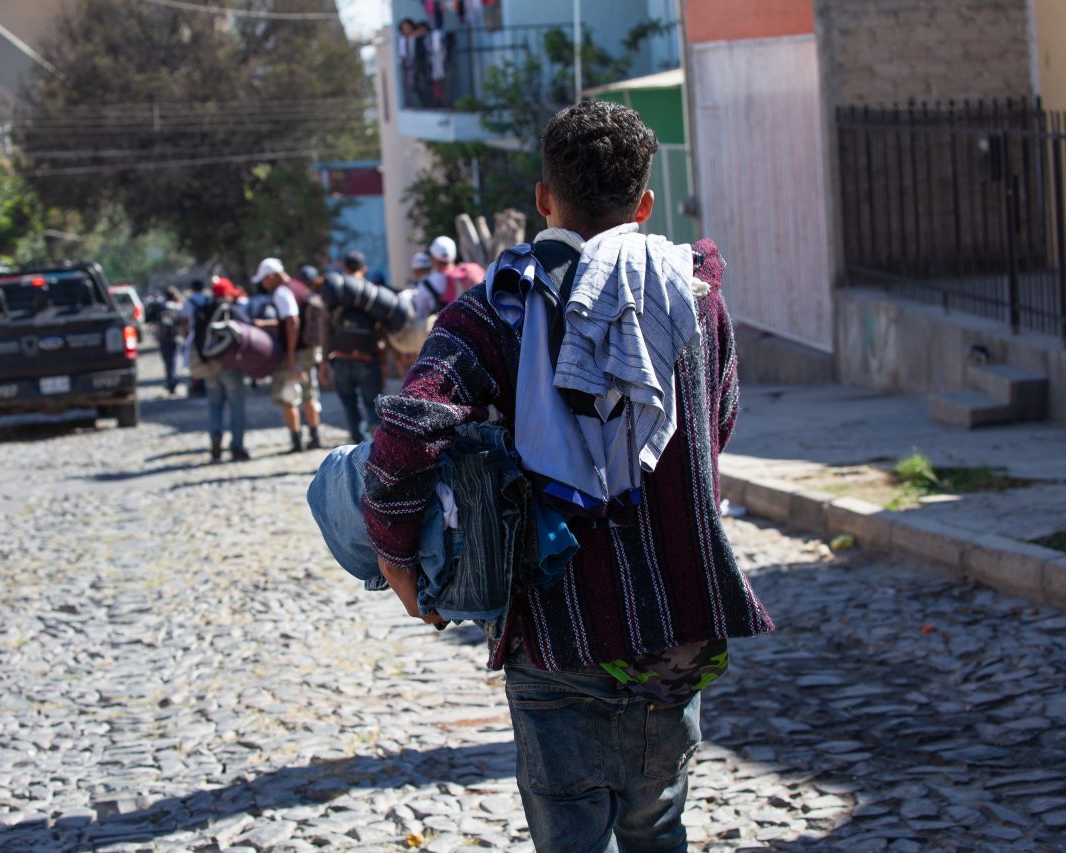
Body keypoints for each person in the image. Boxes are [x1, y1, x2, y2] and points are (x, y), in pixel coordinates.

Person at [362, 100, 773, 851]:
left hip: (559, 632)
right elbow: (718, 422)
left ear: (544, 199)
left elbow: (406, 432)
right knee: (658, 826)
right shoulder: (695, 300)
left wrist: (396, 560)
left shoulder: (495, 311)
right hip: (675, 632)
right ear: (644, 204)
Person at [252, 257, 321, 453]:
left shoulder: (282, 292)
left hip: (295, 352)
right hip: (308, 349)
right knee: (309, 394)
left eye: (264, 280)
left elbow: (292, 321)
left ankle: (296, 440)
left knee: (288, 395)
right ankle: (315, 437)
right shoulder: (299, 286)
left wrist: (290, 354)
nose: (264, 285)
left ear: (271, 276)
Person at [182, 276, 250, 463]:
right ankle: (237, 447)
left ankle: (216, 439)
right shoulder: (231, 310)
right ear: (227, 294)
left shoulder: (202, 309)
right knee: (236, 406)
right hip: (231, 367)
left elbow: (194, 334)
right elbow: (248, 331)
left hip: (209, 366)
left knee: (214, 406)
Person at [320, 251, 384, 444]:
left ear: (344, 268)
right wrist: (383, 361)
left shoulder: (336, 295)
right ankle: (376, 447)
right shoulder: (372, 295)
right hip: (368, 359)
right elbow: (382, 330)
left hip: (341, 359)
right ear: (364, 269)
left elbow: (326, 330)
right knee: (373, 406)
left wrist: (323, 362)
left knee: (350, 407)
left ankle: (356, 444)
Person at [155, 287, 184, 394]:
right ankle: (173, 380)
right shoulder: (179, 306)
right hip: (176, 337)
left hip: (163, 337)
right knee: (175, 359)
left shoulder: (161, 307)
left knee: (167, 361)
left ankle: (170, 381)